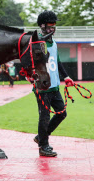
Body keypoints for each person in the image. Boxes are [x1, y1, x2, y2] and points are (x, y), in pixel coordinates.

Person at [32, 10, 74, 157]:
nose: (52, 29)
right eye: (50, 26)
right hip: (43, 87)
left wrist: (66, 77)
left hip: (55, 86)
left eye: (54, 26)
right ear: (42, 26)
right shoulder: (37, 43)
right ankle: (44, 146)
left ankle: (41, 137)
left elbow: (57, 61)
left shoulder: (53, 43)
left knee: (62, 113)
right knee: (44, 117)